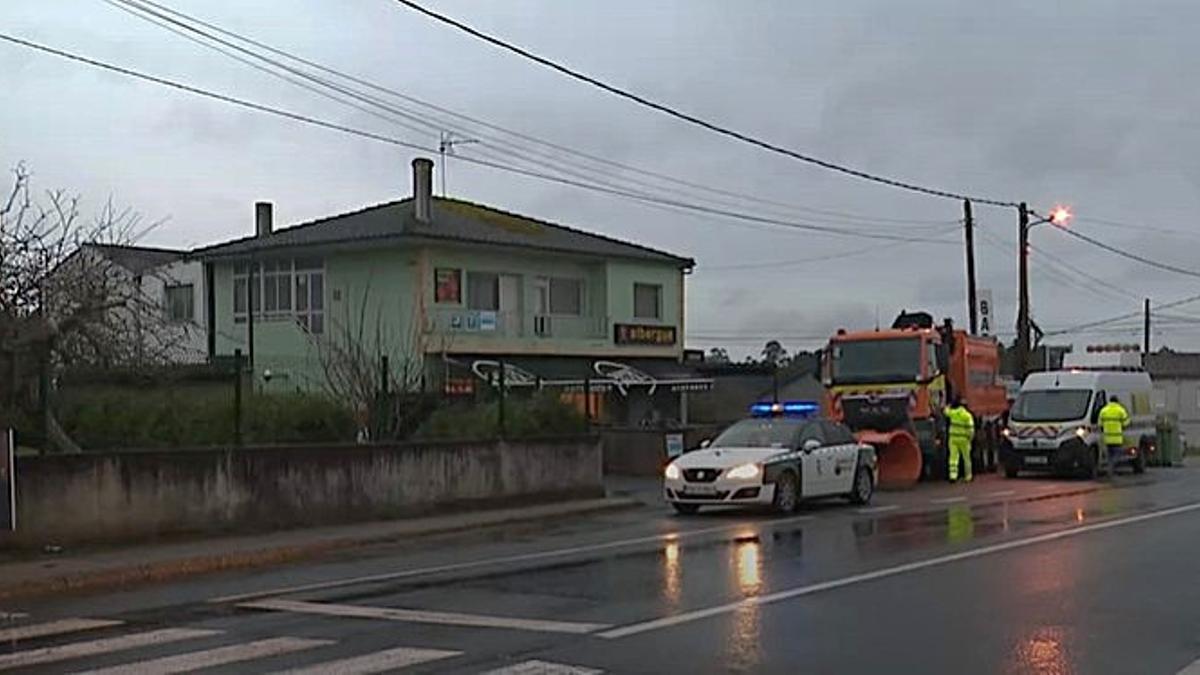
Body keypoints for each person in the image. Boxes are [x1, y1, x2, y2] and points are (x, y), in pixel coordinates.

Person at [944, 396, 975, 483]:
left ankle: (953, 476)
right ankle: (968, 477)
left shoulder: (953, 413)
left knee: (953, 458)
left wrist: (949, 405)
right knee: (966, 459)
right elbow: (971, 430)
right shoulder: (967, 416)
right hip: (964, 440)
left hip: (953, 439)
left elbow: (945, 411)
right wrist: (970, 439)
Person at [1098, 395, 1130, 477]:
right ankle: (1110, 469)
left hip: (1107, 437)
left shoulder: (1104, 410)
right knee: (1117, 455)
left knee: (1110, 455)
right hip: (1117, 437)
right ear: (1117, 401)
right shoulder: (1120, 410)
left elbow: (1100, 424)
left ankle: (1110, 470)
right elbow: (1126, 423)